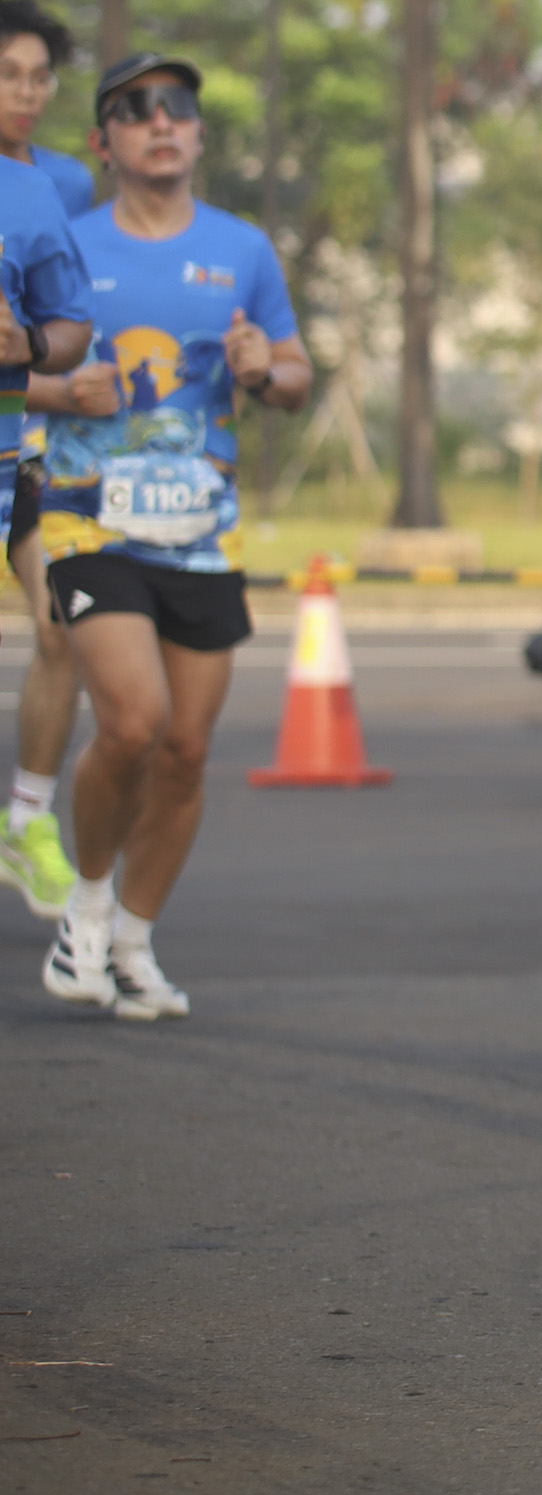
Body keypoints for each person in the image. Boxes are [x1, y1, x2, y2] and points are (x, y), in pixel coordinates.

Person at [34, 53, 309, 1021]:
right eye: (136, 109)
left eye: (178, 107)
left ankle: (134, 940)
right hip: (88, 521)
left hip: (199, 532)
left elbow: (294, 374)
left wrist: (263, 366)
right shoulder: (63, 246)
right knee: (133, 721)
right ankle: (87, 903)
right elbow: (14, 363)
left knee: (186, 749)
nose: (162, 121)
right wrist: (59, 389)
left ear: (197, 131)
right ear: (102, 142)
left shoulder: (243, 249)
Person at [0, 0, 99, 913]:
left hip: (30, 453)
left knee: (62, 623)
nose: (26, 94)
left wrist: (33, 351)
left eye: (40, 78)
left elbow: (68, 325)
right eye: (9, 76)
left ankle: (26, 821)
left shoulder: (54, 188)